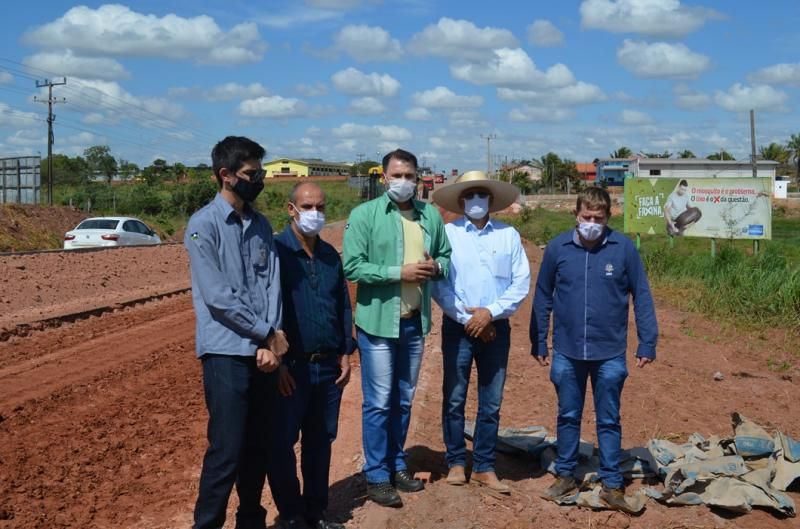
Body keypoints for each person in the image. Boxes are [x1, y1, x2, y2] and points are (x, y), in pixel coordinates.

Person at [530, 187, 658, 514]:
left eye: (598, 218)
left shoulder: (623, 249)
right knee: (568, 415)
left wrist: (647, 342)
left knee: (609, 419)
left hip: (610, 352)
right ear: (576, 215)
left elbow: (641, 296)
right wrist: (539, 339)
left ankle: (613, 483)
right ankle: (566, 475)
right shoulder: (558, 248)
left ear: (607, 219)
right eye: (586, 217)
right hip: (567, 351)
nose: (591, 223)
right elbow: (543, 295)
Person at [185, 136, 289, 529]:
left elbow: (271, 286)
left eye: (259, 172)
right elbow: (218, 297)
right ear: (225, 175)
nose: (259, 179)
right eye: (251, 173)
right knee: (226, 451)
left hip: (264, 351)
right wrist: (265, 333)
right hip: (226, 353)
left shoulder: (261, 225)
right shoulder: (202, 226)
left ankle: (251, 520)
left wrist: (273, 340)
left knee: (257, 449)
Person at [342, 148, 451, 508]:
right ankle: (376, 475)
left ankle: (396, 463)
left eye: (410, 175)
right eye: (397, 175)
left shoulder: (429, 215)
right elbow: (352, 267)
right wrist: (396, 273)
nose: (403, 181)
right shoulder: (365, 215)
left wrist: (435, 267)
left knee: (403, 399)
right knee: (378, 402)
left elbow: (447, 258)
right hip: (377, 325)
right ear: (384, 177)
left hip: (413, 323)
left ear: (417, 179)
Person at [431, 171, 530, 494]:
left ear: (491, 200)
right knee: (455, 396)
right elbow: (439, 283)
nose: (476, 201)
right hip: (458, 327)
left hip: (496, 328)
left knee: (491, 400)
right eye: (470, 195)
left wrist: (490, 314)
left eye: (481, 195)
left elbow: (520, 282)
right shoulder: (447, 234)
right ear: (461, 201)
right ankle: (456, 462)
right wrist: (467, 318)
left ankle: (485, 466)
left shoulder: (508, 235)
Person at [269, 182, 355, 529]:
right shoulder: (276, 252)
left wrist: (345, 353)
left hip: (326, 367)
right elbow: (268, 310)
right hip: (291, 368)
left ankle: (316, 511)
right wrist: (277, 366)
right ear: (291, 209)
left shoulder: (330, 255)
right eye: (307, 207)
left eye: (320, 207)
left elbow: (342, 306)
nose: (315, 214)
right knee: (282, 444)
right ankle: (290, 514)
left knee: (320, 443)